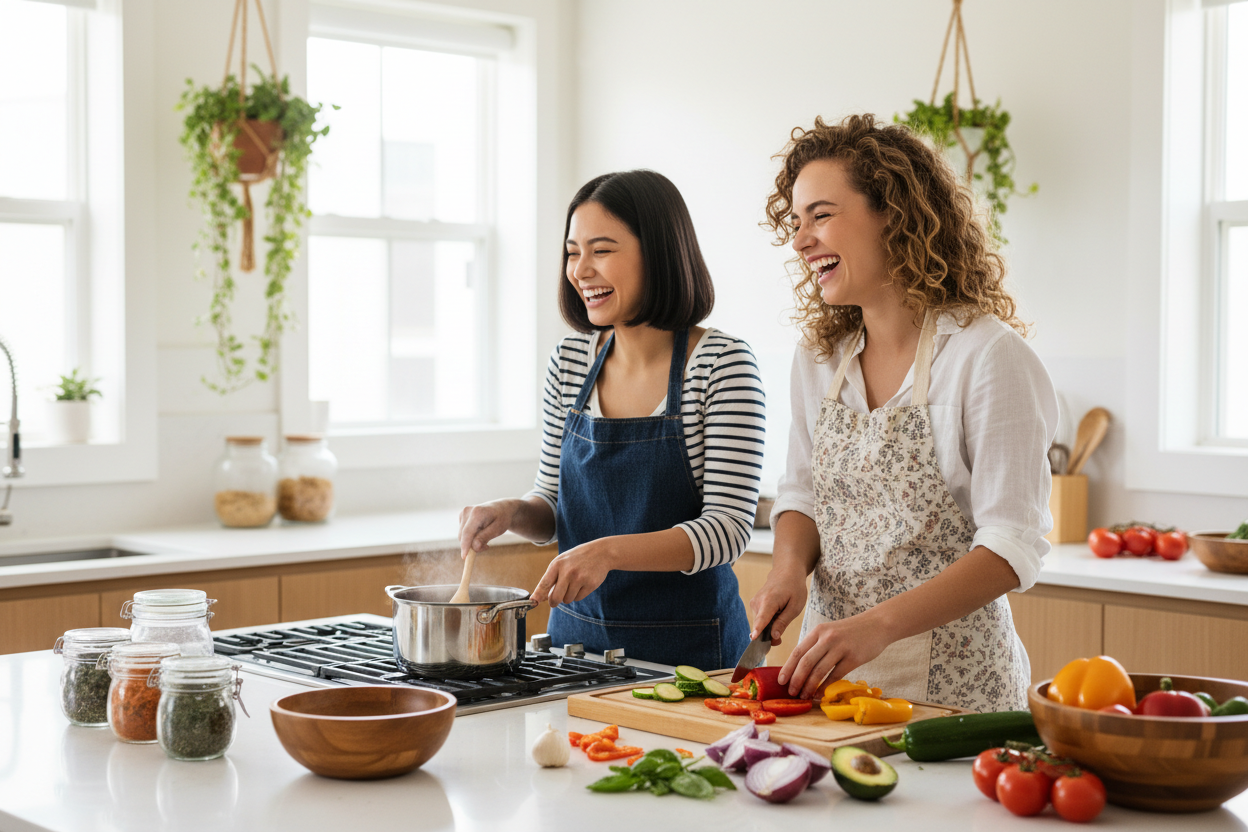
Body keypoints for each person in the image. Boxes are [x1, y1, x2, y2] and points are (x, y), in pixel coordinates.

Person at [750, 114, 1057, 712]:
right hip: (830, 683)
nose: (800, 238)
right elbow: (801, 494)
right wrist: (788, 568)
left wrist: (878, 626)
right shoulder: (820, 360)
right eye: (796, 220)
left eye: (821, 214)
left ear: (891, 210)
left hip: (956, 695)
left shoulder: (988, 357)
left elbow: (1011, 546)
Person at [457, 170, 765, 670]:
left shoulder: (720, 364)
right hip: (574, 645)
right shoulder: (571, 359)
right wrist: (513, 512)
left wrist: (608, 553)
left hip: (690, 654)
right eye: (572, 252)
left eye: (601, 250)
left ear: (659, 253)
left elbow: (728, 530)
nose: (580, 270)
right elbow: (553, 505)